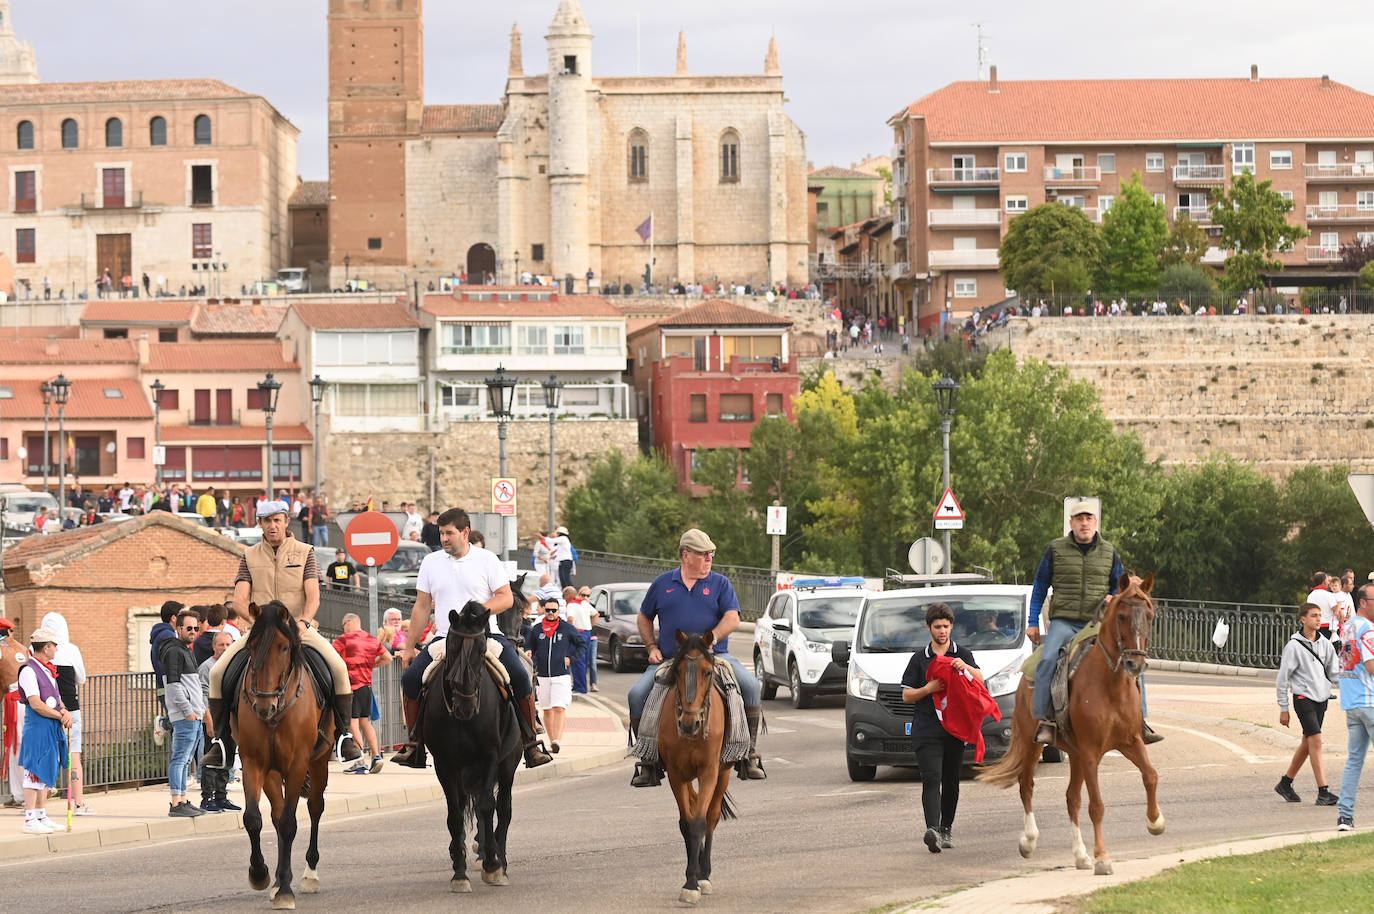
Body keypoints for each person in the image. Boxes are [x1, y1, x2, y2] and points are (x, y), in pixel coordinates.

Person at [201, 501, 361, 769]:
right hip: (260, 631)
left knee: (339, 668)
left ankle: (344, 735)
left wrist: (304, 622)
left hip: (299, 629)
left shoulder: (306, 552)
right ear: (260, 524)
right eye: (267, 521)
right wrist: (260, 624)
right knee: (217, 674)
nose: (272, 525)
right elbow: (239, 600)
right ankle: (222, 743)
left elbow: (313, 596)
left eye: (277, 520)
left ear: (286, 521)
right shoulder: (249, 555)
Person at [393, 507, 552, 770]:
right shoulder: (431, 562)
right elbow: (422, 606)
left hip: (485, 636)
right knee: (410, 680)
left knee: (520, 676)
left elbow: (506, 598)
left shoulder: (487, 560)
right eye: (441, 533)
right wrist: (409, 647)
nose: (444, 538)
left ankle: (530, 743)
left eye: (449, 533)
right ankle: (414, 745)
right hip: (445, 638)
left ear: (465, 532)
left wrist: (477, 612)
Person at [627, 528, 766, 786]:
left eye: (711, 554)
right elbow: (644, 616)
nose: (709, 559)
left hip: (714, 657)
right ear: (686, 555)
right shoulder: (663, 584)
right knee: (636, 695)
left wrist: (713, 638)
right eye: (703, 554)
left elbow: (732, 617)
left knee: (751, 686)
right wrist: (651, 647)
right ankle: (649, 761)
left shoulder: (720, 583)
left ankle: (748, 755)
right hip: (671, 659)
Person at [1027, 498, 1161, 746]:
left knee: (1132, 657)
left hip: (1098, 621)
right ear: (1071, 523)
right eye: (1079, 519)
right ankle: (1045, 721)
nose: (1084, 523)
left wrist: (1113, 595)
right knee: (1047, 660)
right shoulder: (1055, 549)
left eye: (1088, 518)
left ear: (1095, 522)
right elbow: (1040, 586)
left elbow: (1119, 585)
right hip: (1064, 621)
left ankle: (1140, 720)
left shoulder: (1109, 552)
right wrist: (1032, 621)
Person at [901, 602, 983, 852]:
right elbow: (906, 695)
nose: (942, 631)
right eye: (937, 627)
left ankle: (946, 827)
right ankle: (933, 830)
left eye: (946, 626)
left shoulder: (962, 654)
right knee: (931, 778)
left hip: (954, 729)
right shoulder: (919, 659)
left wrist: (964, 667)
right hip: (926, 728)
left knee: (951, 780)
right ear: (929, 628)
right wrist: (928, 689)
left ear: (952, 627)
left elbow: (980, 681)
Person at [1274, 602, 1340, 806]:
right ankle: (1323, 791)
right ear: (1303, 619)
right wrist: (1284, 708)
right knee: (1316, 740)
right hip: (1303, 699)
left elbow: (1334, 673)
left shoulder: (1326, 644)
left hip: (1321, 699)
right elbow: (1282, 679)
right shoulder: (1293, 647)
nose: (1318, 619)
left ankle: (1285, 784)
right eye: (1314, 615)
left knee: (1308, 741)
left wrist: (1352, 686)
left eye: (1320, 615)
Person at [16, 628, 71, 834]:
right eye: (54, 646)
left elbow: (56, 700)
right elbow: (36, 704)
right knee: (34, 771)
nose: (56, 649)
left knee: (46, 770)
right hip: (38, 727)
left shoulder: (47, 670)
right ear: (46, 647)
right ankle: (30, 819)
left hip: (50, 726)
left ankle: (41, 815)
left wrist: (64, 711)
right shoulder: (29, 670)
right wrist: (59, 716)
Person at [39, 612, 93, 816]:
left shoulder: (36, 650)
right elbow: (81, 678)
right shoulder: (71, 649)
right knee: (74, 754)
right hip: (71, 708)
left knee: (46, 755)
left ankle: (38, 805)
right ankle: (78, 803)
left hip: (46, 710)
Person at [522, 594, 585, 754]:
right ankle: (552, 742)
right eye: (548, 610)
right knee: (547, 709)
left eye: (554, 610)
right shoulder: (537, 629)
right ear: (544, 610)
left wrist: (571, 659)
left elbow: (582, 644)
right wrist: (529, 652)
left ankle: (557, 740)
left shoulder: (566, 628)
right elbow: (529, 645)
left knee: (559, 707)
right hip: (542, 675)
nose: (550, 613)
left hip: (561, 675)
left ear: (559, 611)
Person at [332, 614, 392, 775]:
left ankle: (360, 761)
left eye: (343, 625)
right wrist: (372, 666)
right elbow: (388, 658)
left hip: (351, 687)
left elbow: (331, 658)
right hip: (366, 687)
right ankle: (376, 756)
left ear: (349, 622)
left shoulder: (344, 640)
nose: (343, 629)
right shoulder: (372, 640)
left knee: (353, 724)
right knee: (366, 722)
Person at [160, 609, 205, 817]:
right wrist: (188, 712)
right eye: (189, 628)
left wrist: (198, 712)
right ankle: (176, 803)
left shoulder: (186, 650)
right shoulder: (173, 651)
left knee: (186, 760)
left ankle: (183, 799)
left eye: (196, 628)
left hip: (194, 716)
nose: (193, 631)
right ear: (179, 628)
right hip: (185, 716)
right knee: (180, 759)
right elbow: (173, 686)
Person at [1336, 582, 1374, 830]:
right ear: (1363, 602)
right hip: (1370, 700)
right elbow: (1371, 666)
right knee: (1355, 760)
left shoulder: (1348, 626)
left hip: (1352, 702)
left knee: (1354, 760)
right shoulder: (1368, 629)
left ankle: (1345, 816)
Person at [197, 632, 240, 813]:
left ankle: (221, 797)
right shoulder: (207, 667)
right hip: (214, 720)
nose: (225, 648)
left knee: (226, 758)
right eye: (221, 644)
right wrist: (209, 721)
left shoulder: (235, 665)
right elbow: (202, 695)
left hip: (231, 720)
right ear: (214, 646)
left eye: (228, 644)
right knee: (212, 758)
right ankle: (207, 798)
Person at [564, 586, 594, 694]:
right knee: (584, 661)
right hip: (587, 633)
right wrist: (590, 625)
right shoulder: (584, 603)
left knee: (577, 661)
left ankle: (580, 687)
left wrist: (570, 632)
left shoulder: (571, 605)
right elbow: (596, 614)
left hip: (578, 633)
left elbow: (570, 619)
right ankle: (581, 685)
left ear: (568, 595)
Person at [1306, 572, 1338, 643]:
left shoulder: (1310, 595)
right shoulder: (1329, 595)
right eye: (1327, 580)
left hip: (1314, 626)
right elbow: (1336, 611)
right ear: (1324, 581)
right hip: (1327, 627)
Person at [579, 585, 599, 692]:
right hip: (581, 636)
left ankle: (593, 683)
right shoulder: (577, 606)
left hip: (592, 637)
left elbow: (596, 615)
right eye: (583, 595)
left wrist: (589, 625)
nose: (585, 597)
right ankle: (581, 683)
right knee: (581, 661)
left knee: (592, 662)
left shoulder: (591, 606)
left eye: (588, 595)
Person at [550, 525, 575, 589]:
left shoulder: (563, 539)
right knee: (562, 580)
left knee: (566, 579)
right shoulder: (560, 543)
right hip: (561, 562)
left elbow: (550, 541)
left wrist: (542, 537)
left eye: (557, 533)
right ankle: (565, 592)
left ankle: (572, 592)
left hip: (565, 561)